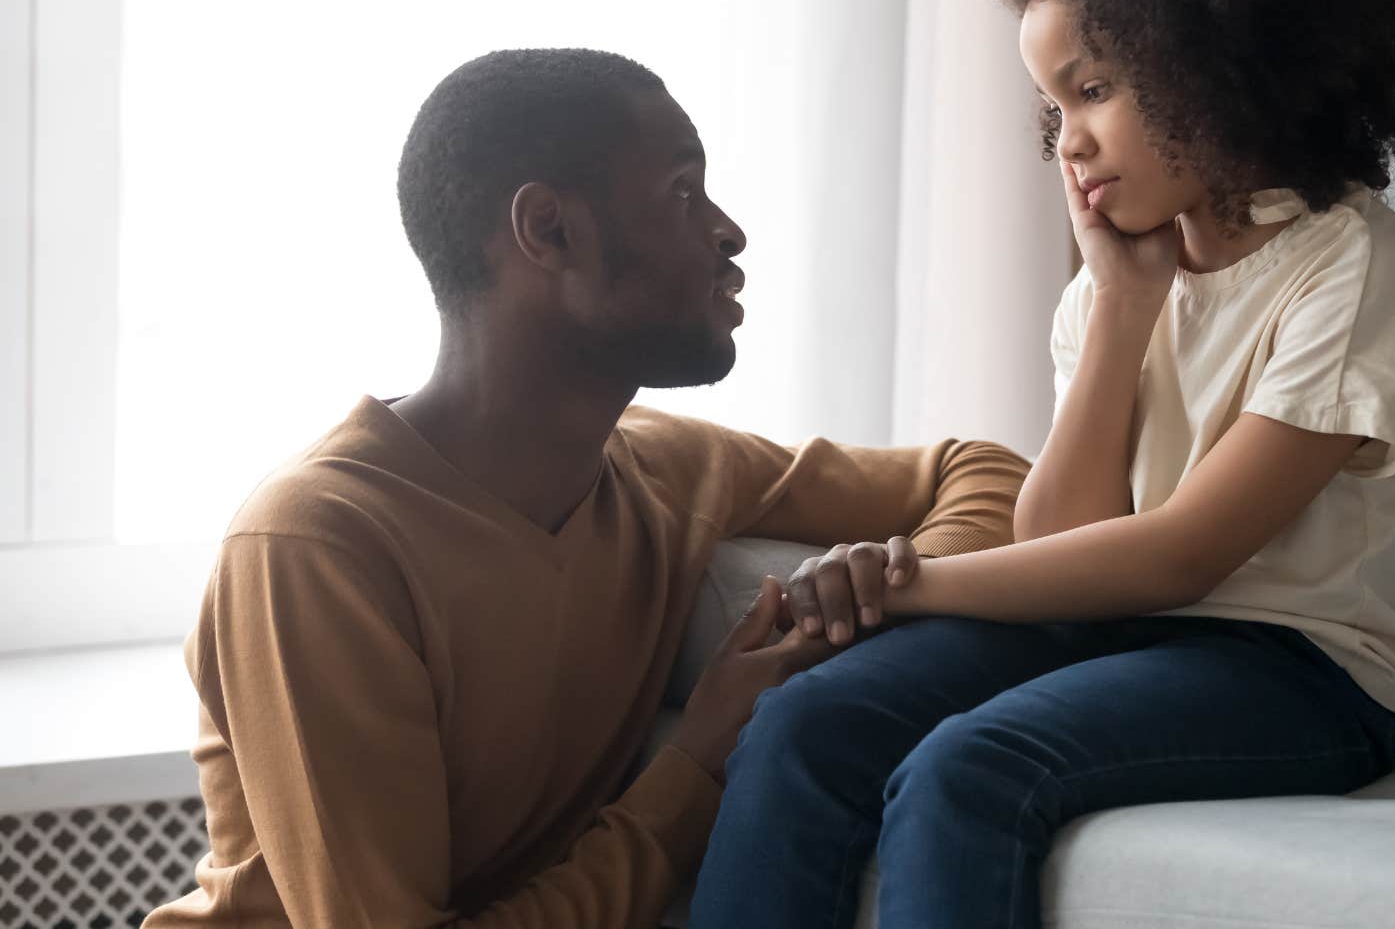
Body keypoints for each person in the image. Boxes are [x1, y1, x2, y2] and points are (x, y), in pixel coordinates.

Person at [688, 0, 1395, 926]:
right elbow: (1060, 535)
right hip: (1126, 633)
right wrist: (1118, 312)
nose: (1070, 142)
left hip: (1305, 675)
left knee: (972, 767)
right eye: (1052, 107)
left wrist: (909, 584)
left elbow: (1179, 553)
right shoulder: (1123, 286)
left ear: (1215, 60)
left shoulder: (1351, 277)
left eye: (1094, 89)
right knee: (802, 721)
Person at [142, 48, 1029, 928]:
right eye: (684, 191)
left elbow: (986, 472)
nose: (729, 232)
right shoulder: (318, 548)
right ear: (550, 231)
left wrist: (896, 582)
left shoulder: (664, 469)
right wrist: (696, 769)